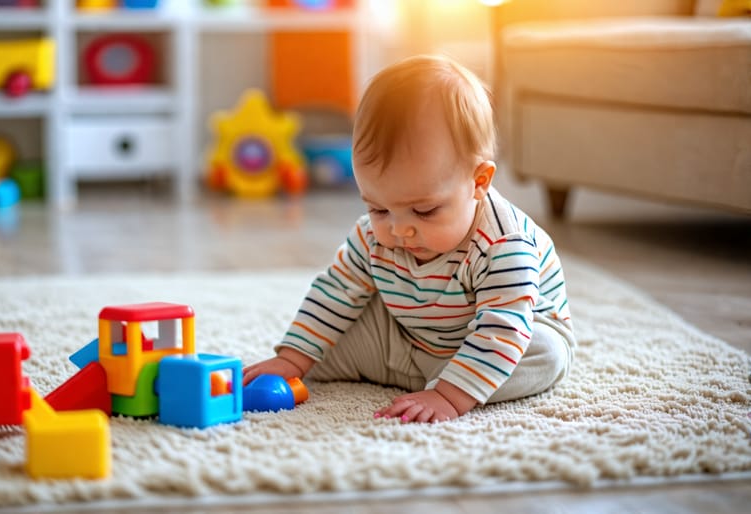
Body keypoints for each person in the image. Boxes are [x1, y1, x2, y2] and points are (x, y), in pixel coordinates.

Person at [242, 55, 576, 423]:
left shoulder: (503, 244)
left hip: (501, 334)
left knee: (545, 353)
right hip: (405, 337)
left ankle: (455, 382)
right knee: (327, 338)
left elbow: (503, 324)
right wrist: (293, 358)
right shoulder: (373, 236)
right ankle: (421, 374)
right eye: (379, 209)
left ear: (478, 182)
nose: (398, 230)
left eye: (425, 211)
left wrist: (447, 398)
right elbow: (335, 292)